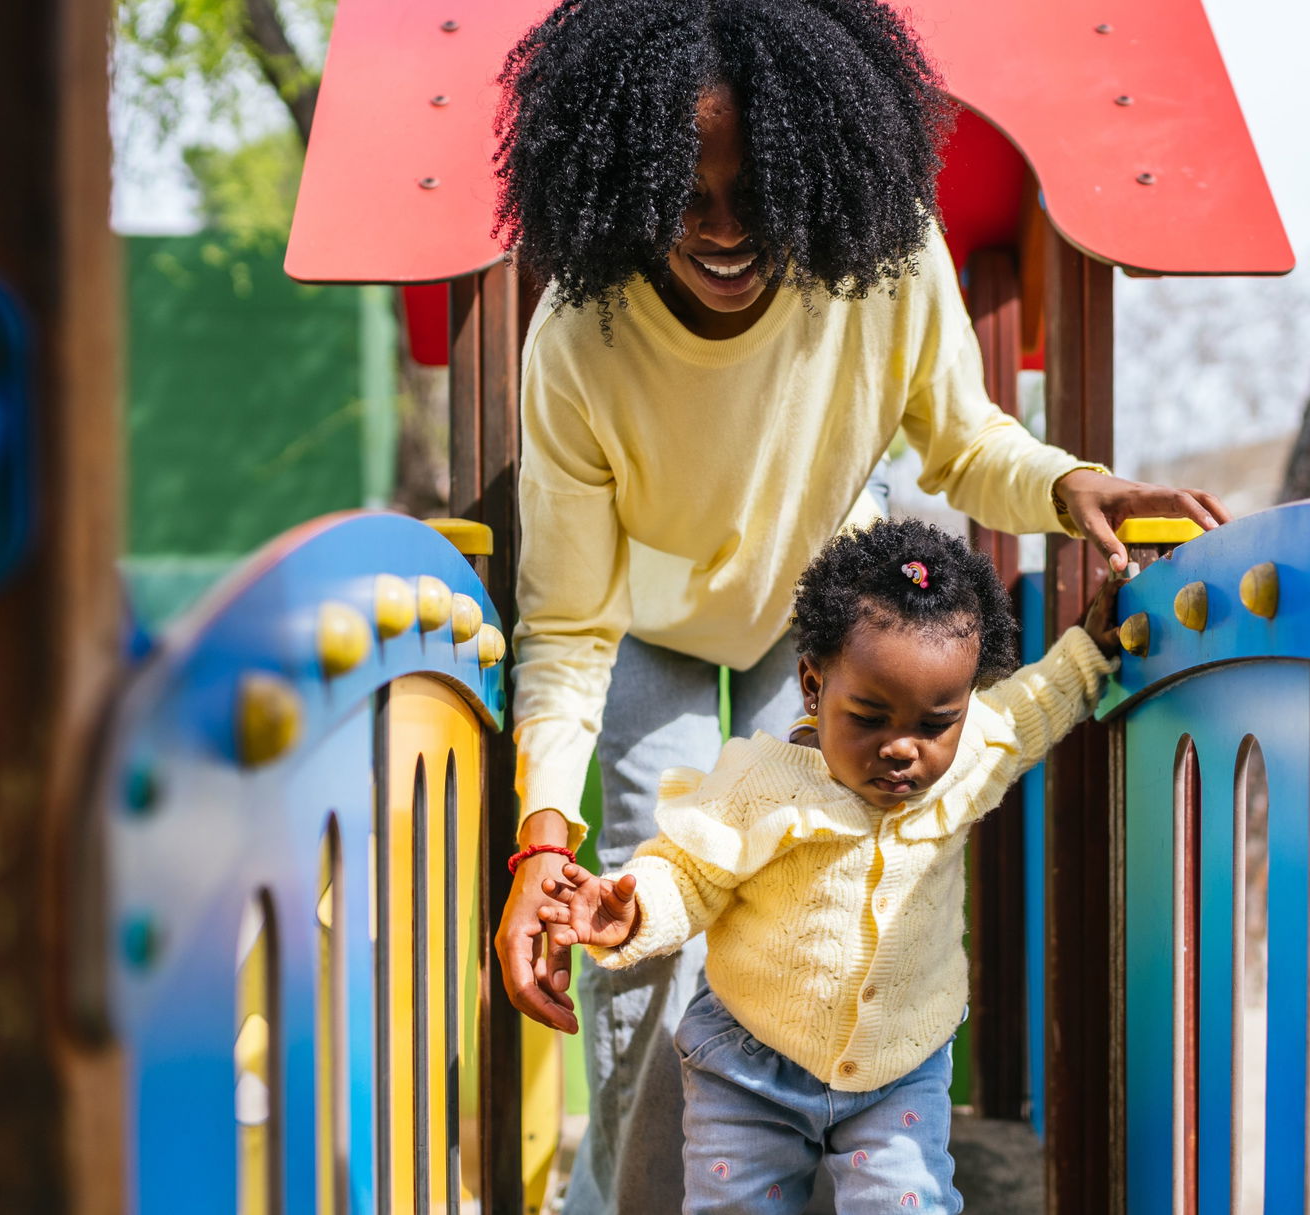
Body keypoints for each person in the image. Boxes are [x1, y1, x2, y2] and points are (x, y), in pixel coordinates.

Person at [486, 2, 1229, 1210]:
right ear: (624, 182)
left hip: (815, 625)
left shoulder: (882, 259)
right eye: (686, 195)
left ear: (814, 170)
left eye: (758, 193)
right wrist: (539, 842)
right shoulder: (582, 337)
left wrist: (1069, 481)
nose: (725, 234)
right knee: (644, 921)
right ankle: (629, 1198)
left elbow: (962, 439)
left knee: (813, 875)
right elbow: (568, 632)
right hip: (644, 626)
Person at [536, 518, 1124, 1214]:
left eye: (936, 722)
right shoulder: (762, 783)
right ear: (813, 687)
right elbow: (688, 872)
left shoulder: (969, 757)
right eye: (870, 717)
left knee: (909, 1204)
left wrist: (1089, 653)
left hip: (900, 1064)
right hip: (749, 1064)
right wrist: (633, 909)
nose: (904, 747)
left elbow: (1032, 709)